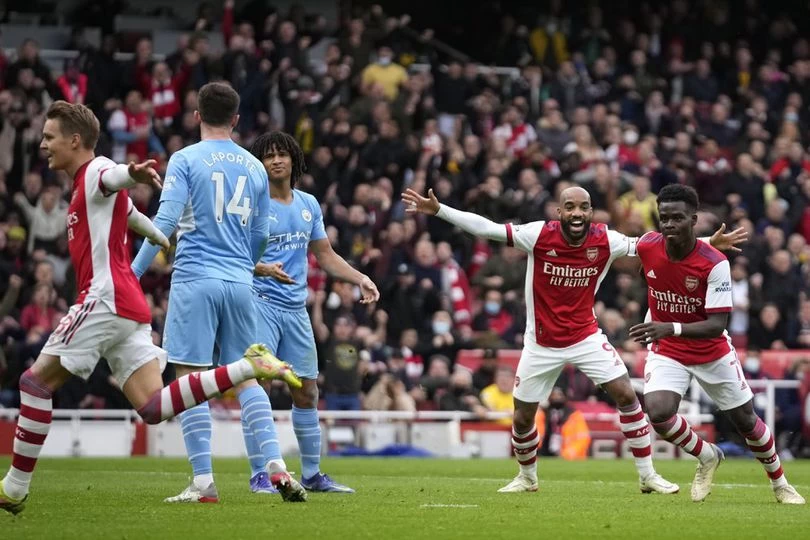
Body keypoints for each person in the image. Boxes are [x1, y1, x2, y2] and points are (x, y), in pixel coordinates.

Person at [0, 101, 299, 515]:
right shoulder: (89, 187)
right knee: (154, 407)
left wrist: (132, 174)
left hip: (104, 299)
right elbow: (135, 215)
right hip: (134, 307)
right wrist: (158, 237)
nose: (43, 145)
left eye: (50, 137)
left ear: (75, 140)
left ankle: (14, 489)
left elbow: (113, 177)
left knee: (34, 384)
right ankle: (247, 368)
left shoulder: (95, 170)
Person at [401, 185, 745, 494]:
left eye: (583, 207)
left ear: (591, 211)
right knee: (522, 417)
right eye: (570, 207)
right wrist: (439, 210)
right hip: (541, 343)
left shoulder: (606, 239)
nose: (577, 213)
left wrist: (705, 244)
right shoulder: (538, 235)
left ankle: (648, 475)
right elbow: (487, 228)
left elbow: (656, 244)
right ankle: (527, 477)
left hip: (586, 336)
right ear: (559, 211)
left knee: (627, 395)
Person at [130, 82, 304, 503]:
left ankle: (203, 482)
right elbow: (261, 236)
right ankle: (275, 464)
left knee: (190, 378)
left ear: (196, 116)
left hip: (196, 279)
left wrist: (131, 274)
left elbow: (164, 224)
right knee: (247, 376)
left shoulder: (186, 158)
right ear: (236, 119)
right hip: (241, 284)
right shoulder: (255, 167)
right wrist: (245, 264)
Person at [628, 184, 805, 505]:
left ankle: (780, 483)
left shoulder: (715, 263)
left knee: (746, 421)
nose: (669, 224)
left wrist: (669, 326)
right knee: (659, 413)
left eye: (677, 218)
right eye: (664, 218)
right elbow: (647, 271)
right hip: (668, 350)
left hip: (711, 351)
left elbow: (716, 325)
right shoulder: (647, 245)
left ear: (694, 220)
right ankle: (707, 455)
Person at [246, 130, 380, 493]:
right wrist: (261, 269)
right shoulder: (252, 205)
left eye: (282, 154)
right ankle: (260, 474)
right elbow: (234, 254)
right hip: (259, 303)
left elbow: (325, 255)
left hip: (296, 309)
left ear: (294, 159)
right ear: (259, 164)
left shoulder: (308, 204)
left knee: (306, 391)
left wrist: (359, 278)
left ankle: (312, 475)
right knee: (258, 387)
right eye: (268, 156)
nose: (276, 160)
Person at [536, 387, 591, 460]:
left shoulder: (574, 415)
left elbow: (583, 439)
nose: (556, 398)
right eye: (553, 395)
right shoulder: (542, 414)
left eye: (559, 395)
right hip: (544, 454)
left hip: (569, 456)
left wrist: (568, 454)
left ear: (565, 397)